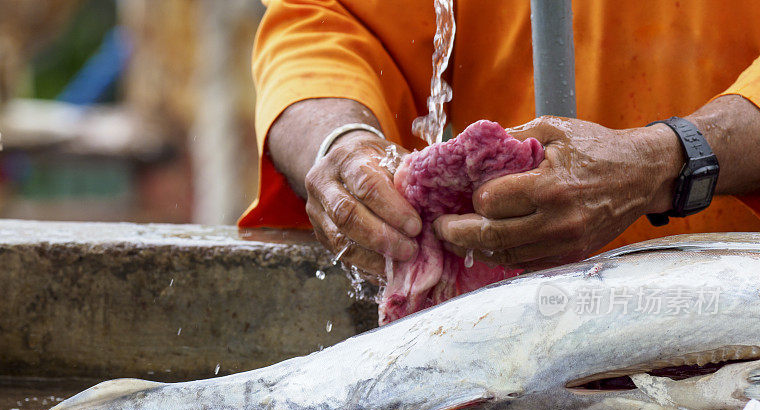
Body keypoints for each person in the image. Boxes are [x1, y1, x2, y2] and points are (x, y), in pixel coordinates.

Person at [239, 1, 760, 279]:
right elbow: (327, 20)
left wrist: (668, 160)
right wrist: (341, 139)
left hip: (733, 311)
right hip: (491, 329)